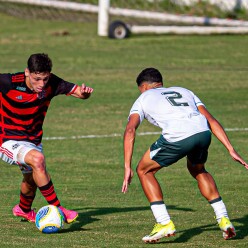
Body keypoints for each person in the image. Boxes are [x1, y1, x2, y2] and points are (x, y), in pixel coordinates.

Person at [122, 67, 248, 243]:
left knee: (144, 170)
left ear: (143, 87)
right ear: (160, 83)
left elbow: (130, 130)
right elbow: (211, 119)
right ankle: (224, 219)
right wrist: (230, 149)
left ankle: (164, 222)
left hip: (178, 136)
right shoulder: (184, 91)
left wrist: (127, 167)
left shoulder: (142, 98)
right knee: (198, 168)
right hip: (203, 133)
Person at [0, 53, 93, 224]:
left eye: (45, 79)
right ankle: (59, 209)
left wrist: (85, 93)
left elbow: (79, 93)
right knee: (38, 160)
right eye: (37, 79)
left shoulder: (52, 83)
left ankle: (23, 209)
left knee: (31, 180)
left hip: (33, 141)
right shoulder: (8, 82)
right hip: (7, 140)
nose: (41, 84)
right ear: (27, 72)